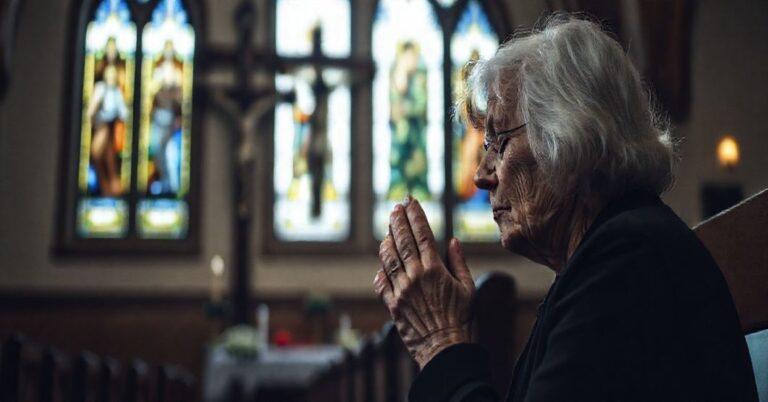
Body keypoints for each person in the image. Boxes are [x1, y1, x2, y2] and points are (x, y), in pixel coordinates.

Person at [373, 15, 758, 402]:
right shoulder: (608, 257)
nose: (481, 175)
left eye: (497, 142)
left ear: (569, 135)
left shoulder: (627, 262)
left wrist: (442, 343)